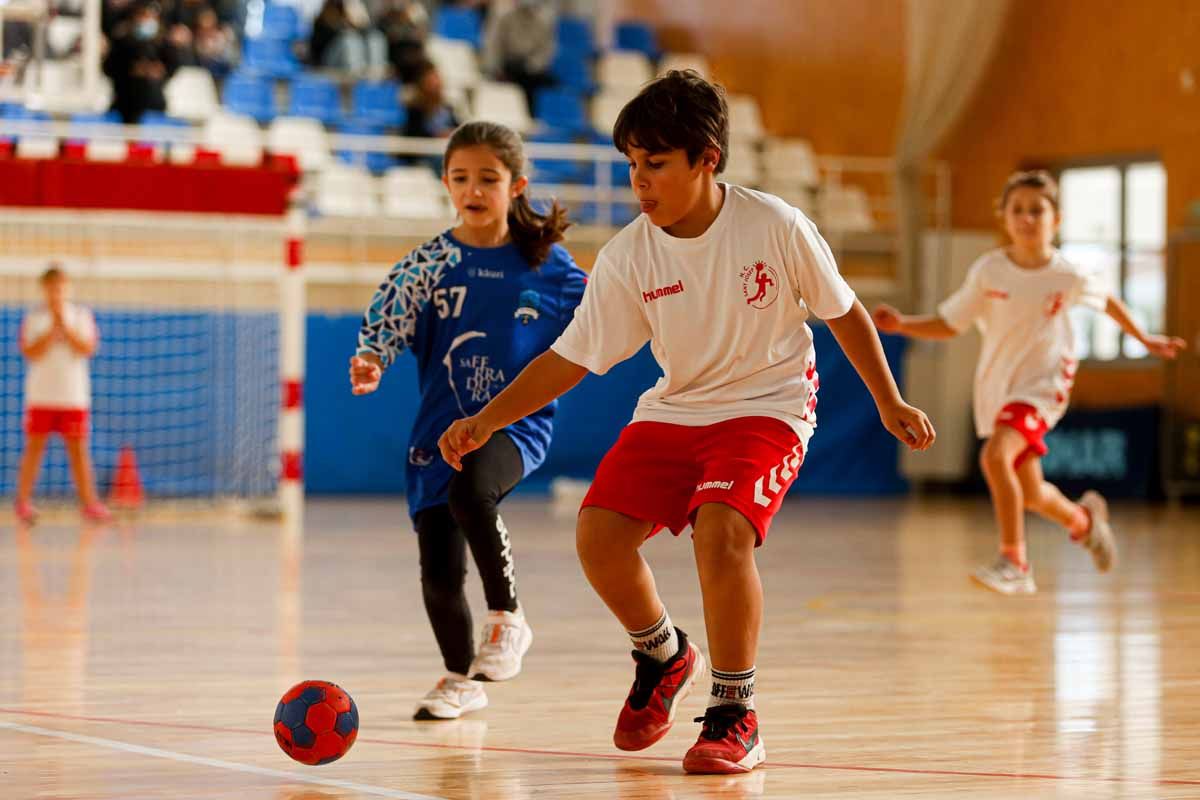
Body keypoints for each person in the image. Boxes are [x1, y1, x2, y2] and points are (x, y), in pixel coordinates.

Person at [438, 71, 934, 773]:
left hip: (768, 406)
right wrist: (485, 420)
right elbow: (571, 358)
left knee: (722, 530)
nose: (639, 182)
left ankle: (736, 713)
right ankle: (663, 655)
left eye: (656, 164)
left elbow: (844, 311)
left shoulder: (775, 226)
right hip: (677, 409)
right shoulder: (629, 255)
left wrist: (888, 401)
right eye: (632, 165)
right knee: (599, 535)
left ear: (708, 158)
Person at [350, 121, 586, 720]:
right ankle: (460, 679)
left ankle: (509, 618)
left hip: (513, 425)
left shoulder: (552, 269)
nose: (473, 189)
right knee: (438, 572)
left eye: (488, 178)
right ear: (446, 185)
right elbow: (386, 319)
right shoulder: (428, 264)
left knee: (472, 488)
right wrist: (372, 360)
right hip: (437, 432)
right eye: (460, 178)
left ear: (516, 186)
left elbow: (605, 318)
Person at [873, 170, 1186, 595]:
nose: (1026, 218)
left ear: (1056, 219)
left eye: (1037, 210)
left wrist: (1144, 337)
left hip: (1043, 385)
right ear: (1003, 218)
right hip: (999, 388)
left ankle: (1014, 560)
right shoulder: (989, 271)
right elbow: (950, 323)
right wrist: (903, 324)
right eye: (1017, 210)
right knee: (1033, 493)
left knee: (995, 456)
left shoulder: (1067, 274)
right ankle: (1085, 521)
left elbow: (1107, 301)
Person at [15, 265, 111, 525]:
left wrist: (65, 328)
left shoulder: (80, 316)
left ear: (67, 288)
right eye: (51, 288)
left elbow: (88, 347)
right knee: (34, 449)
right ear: (44, 289)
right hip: (41, 396)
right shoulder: (34, 318)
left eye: (60, 287)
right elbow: (29, 351)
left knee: (79, 451)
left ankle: (90, 504)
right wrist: (51, 329)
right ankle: (23, 503)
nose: (56, 292)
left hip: (72, 396)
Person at [102, 0, 183, 124]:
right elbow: (109, 68)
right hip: (125, 104)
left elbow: (172, 67)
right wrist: (132, 70)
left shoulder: (164, 45)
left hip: (155, 104)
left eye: (150, 16)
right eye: (143, 15)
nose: (146, 20)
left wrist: (158, 70)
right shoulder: (122, 42)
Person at [481, 0, 557, 115]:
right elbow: (493, 46)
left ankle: (533, 117)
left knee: (546, 86)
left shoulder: (544, 21)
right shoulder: (503, 17)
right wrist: (496, 68)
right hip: (507, 68)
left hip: (531, 72)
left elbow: (545, 51)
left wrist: (531, 66)